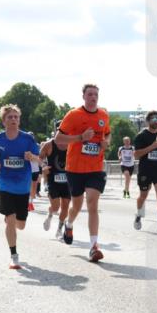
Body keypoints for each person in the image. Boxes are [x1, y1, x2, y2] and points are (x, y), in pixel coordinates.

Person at [55, 84, 111, 262]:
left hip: (95, 168)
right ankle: (69, 223)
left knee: (92, 203)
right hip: (75, 168)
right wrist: (80, 137)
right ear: (84, 96)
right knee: (77, 206)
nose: (93, 97)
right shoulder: (73, 115)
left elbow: (107, 134)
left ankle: (94, 246)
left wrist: (106, 142)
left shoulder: (103, 115)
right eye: (90, 94)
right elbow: (58, 138)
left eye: (96, 94)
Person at [0, 105, 41, 269]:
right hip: (5, 184)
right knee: (10, 220)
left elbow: (40, 160)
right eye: (10, 117)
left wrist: (32, 157)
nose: (13, 119)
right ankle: (14, 256)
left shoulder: (27, 139)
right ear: (4, 121)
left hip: (23, 186)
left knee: (20, 225)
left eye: (16, 117)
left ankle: (12, 221)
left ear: (19, 120)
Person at [133, 110, 157, 232]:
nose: (156, 120)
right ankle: (138, 215)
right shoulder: (141, 135)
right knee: (143, 195)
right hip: (145, 170)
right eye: (153, 118)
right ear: (148, 121)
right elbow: (136, 154)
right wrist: (152, 147)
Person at [40, 120, 71, 239]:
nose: (63, 133)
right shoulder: (49, 145)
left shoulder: (72, 144)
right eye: (60, 131)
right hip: (53, 180)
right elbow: (40, 158)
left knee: (65, 206)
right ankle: (50, 215)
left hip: (68, 180)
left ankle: (59, 229)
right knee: (55, 207)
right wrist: (43, 166)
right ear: (56, 131)